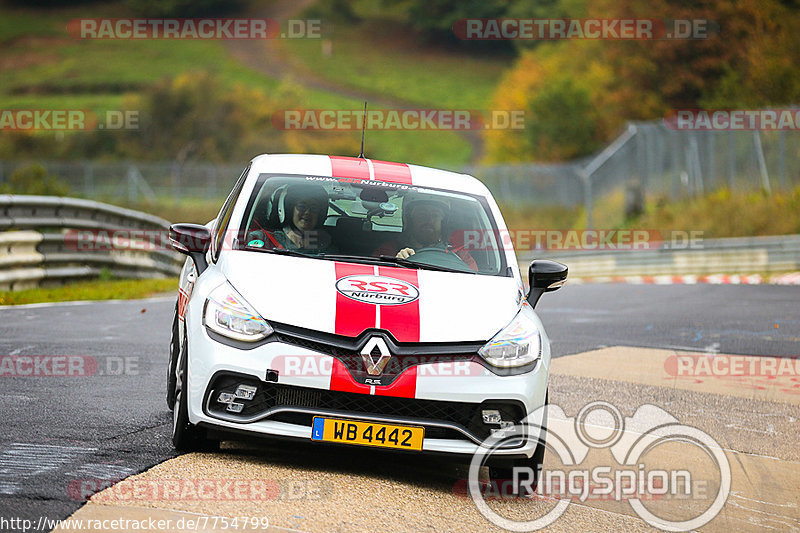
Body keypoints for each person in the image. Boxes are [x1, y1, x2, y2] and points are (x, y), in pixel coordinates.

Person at [374, 191, 477, 271]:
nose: (429, 220)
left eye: (435, 215)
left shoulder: (460, 254)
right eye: (422, 215)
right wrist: (396, 262)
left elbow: (475, 280)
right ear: (410, 219)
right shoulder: (389, 250)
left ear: (443, 222)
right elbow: (373, 276)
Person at [247, 182, 336, 253]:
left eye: (314, 208)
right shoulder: (262, 239)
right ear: (289, 210)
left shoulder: (326, 247)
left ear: (320, 215)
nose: (308, 212)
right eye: (302, 207)